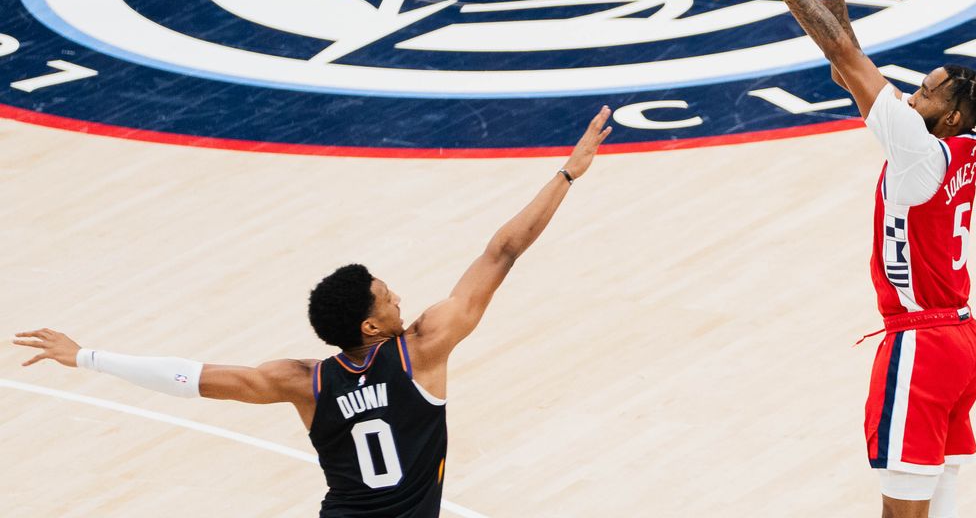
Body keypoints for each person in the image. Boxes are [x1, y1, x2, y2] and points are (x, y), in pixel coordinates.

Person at [13, 106, 613, 518]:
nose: (400, 296)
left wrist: (86, 356)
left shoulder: (304, 381)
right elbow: (503, 250)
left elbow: (189, 378)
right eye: (388, 297)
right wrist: (567, 173)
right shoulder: (425, 347)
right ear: (371, 326)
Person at [714, 0, 976, 518]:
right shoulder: (963, 146)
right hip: (963, 341)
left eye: (923, 95)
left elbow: (847, 60)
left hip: (921, 342)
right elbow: (852, 74)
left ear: (948, 117)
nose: (910, 98)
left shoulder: (919, 149)